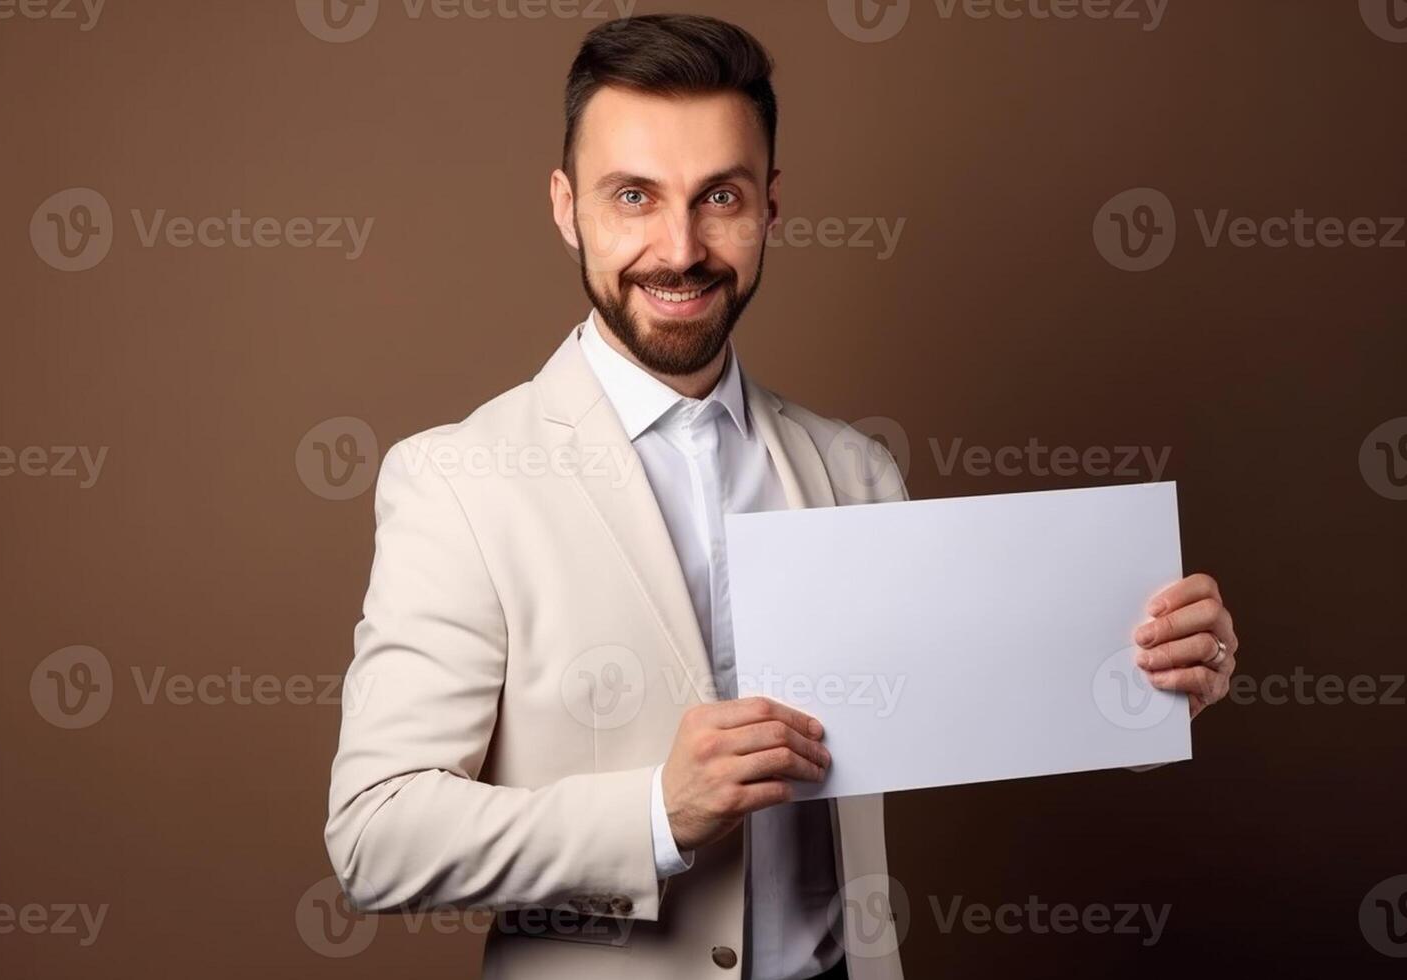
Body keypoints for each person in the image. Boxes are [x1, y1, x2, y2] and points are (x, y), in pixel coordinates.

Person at [325, 14, 1240, 980]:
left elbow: (984, 700)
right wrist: (654, 816)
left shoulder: (855, 474)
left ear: (769, 206)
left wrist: (1153, 684)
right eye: (632, 196)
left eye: (718, 195)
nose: (678, 249)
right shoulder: (456, 480)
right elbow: (375, 835)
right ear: (566, 207)